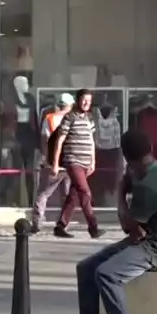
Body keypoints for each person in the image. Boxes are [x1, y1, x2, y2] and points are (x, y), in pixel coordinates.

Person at [63, 129, 157, 314]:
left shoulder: (149, 184)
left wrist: (120, 192)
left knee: (107, 274)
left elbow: (129, 227)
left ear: (128, 159)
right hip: (145, 239)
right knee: (86, 268)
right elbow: (136, 231)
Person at [54, 89, 104, 239]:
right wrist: (56, 163)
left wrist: (93, 162)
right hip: (73, 161)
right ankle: (93, 227)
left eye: (89, 100)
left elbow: (91, 141)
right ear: (78, 100)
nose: (86, 103)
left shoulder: (89, 119)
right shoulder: (69, 117)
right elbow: (60, 140)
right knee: (85, 192)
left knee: (74, 195)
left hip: (85, 163)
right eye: (84, 100)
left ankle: (60, 226)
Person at [29, 93, 74, 233]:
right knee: (67, 195)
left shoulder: (50, 118)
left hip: (53, 163)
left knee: (43, 193)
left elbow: (44, 140)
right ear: (70, 105)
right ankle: (63, 224)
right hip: (70, 162)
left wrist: (46, 157)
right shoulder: (75, 119)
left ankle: (37, 222)